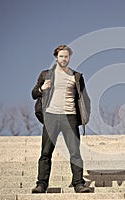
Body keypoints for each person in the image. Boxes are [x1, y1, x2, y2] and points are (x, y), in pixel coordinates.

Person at [31, 45, 91, 193]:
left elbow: (85, 99)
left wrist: (83, 117)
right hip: (51, 116)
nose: (64, 59)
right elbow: (33, 94)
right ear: (56, 58)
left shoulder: (76, 76)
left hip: (69, 116)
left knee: (75, 152)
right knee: (46, 152)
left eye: (66, 56)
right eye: (61, 56)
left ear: (69, 58)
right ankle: (41, 184)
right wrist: (42, 89)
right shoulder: (46, 75)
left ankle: (78, 183)